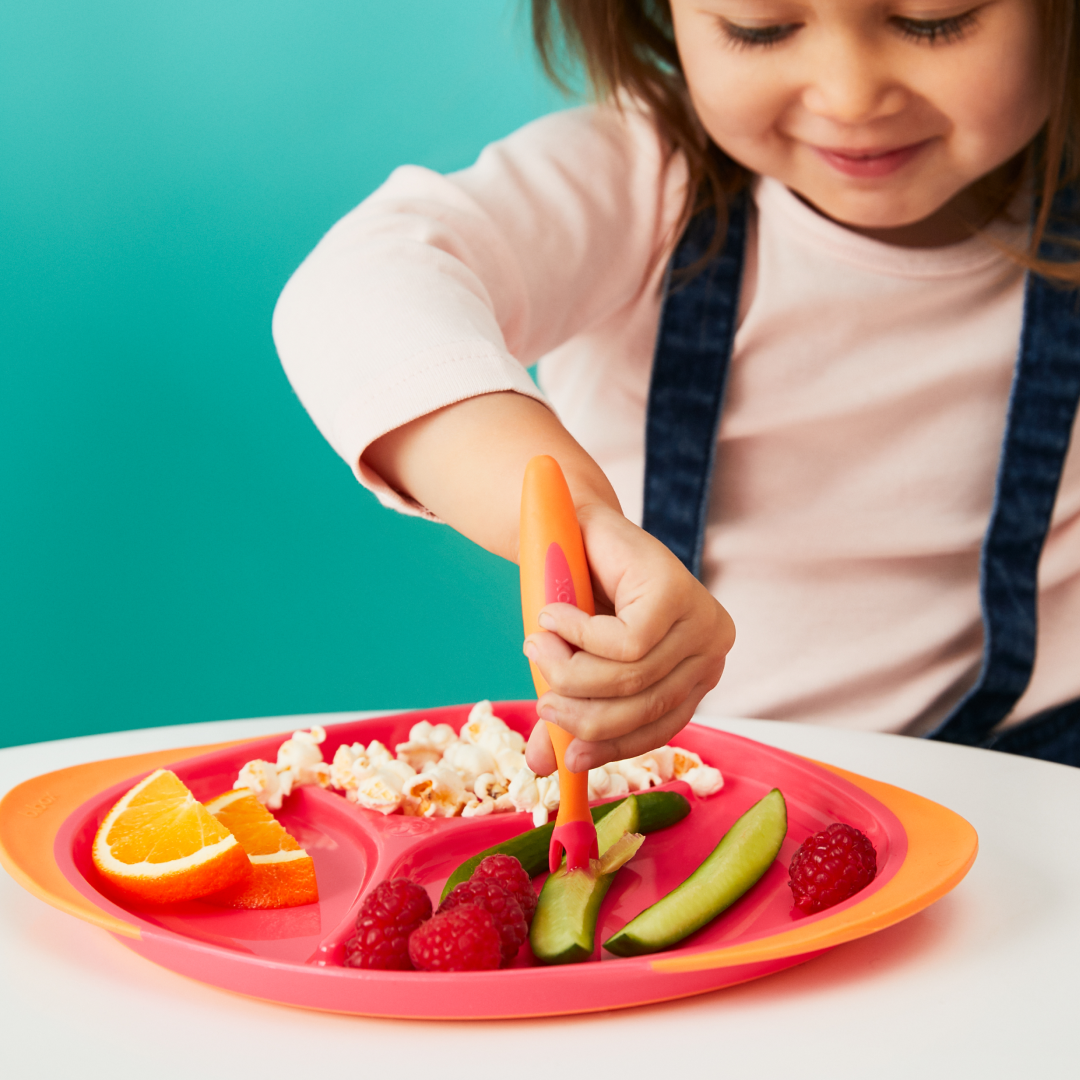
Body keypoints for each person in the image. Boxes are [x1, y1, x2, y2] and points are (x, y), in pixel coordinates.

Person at [273, 0, 1080, 773]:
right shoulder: (640, 184)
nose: (850, 94)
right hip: (716, 790)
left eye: (932, 21)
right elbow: (361, 285)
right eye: (759, 29)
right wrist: (565, 511)